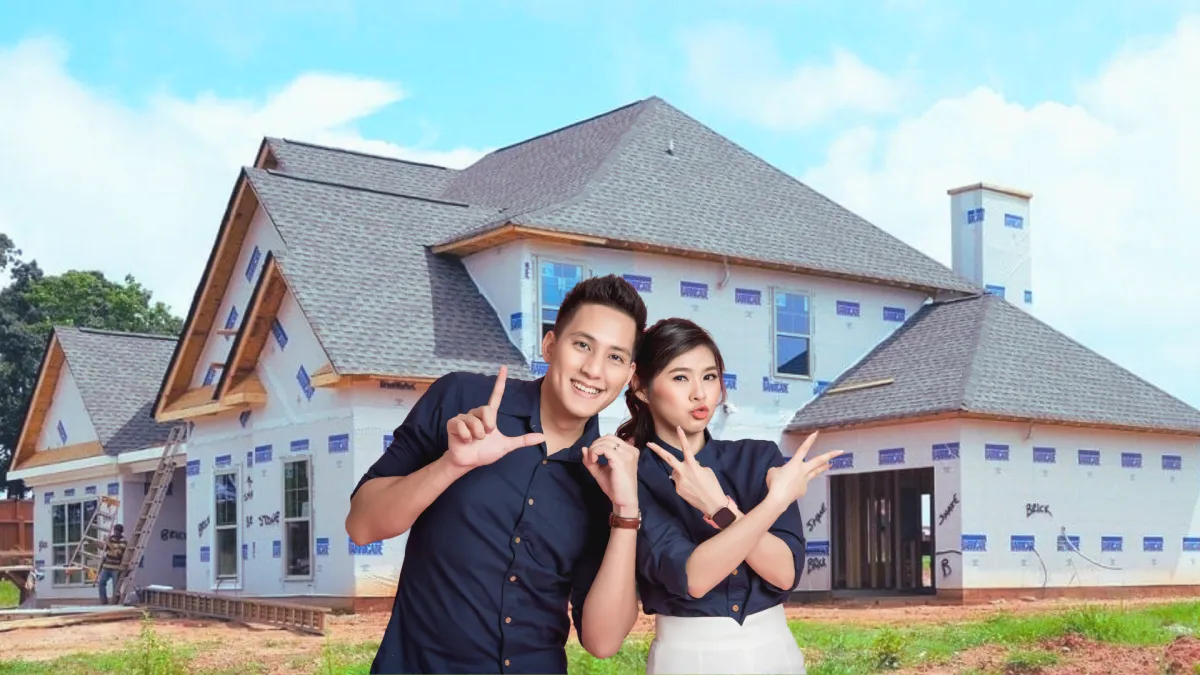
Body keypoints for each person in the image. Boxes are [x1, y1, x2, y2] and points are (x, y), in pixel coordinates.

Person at [346, 274, 648, 675]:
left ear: (628, 374)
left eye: (614, 357)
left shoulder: (607, 479)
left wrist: (626, 511)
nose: (594, 369)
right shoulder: (461, 400)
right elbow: (361, 526)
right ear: (551, 345)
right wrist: (450, 465)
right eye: (582, 345)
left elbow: (603, 642)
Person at [619, 318, 842, 675]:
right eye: (680, 378)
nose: (700, 393)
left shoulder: (758, 458)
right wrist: (774, 502)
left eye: (709, 376)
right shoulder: (631, 475)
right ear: (641, 387)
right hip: (687, 657)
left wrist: (719, 508)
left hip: (776, 651)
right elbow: (694, 577)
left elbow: (784, 573)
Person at [98, 523, 126, 605]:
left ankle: (115, 603)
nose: (115, 533)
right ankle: (103, 602)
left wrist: (109, 544)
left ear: (120, 532)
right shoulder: (111, 538)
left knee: (116, 587)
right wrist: (99, 544)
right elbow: (106, 548)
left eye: (117, 531)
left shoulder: (123, 541)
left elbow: (118, 554)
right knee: (101, 583)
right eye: (115, 531)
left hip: (116, 567)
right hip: (106, 566)